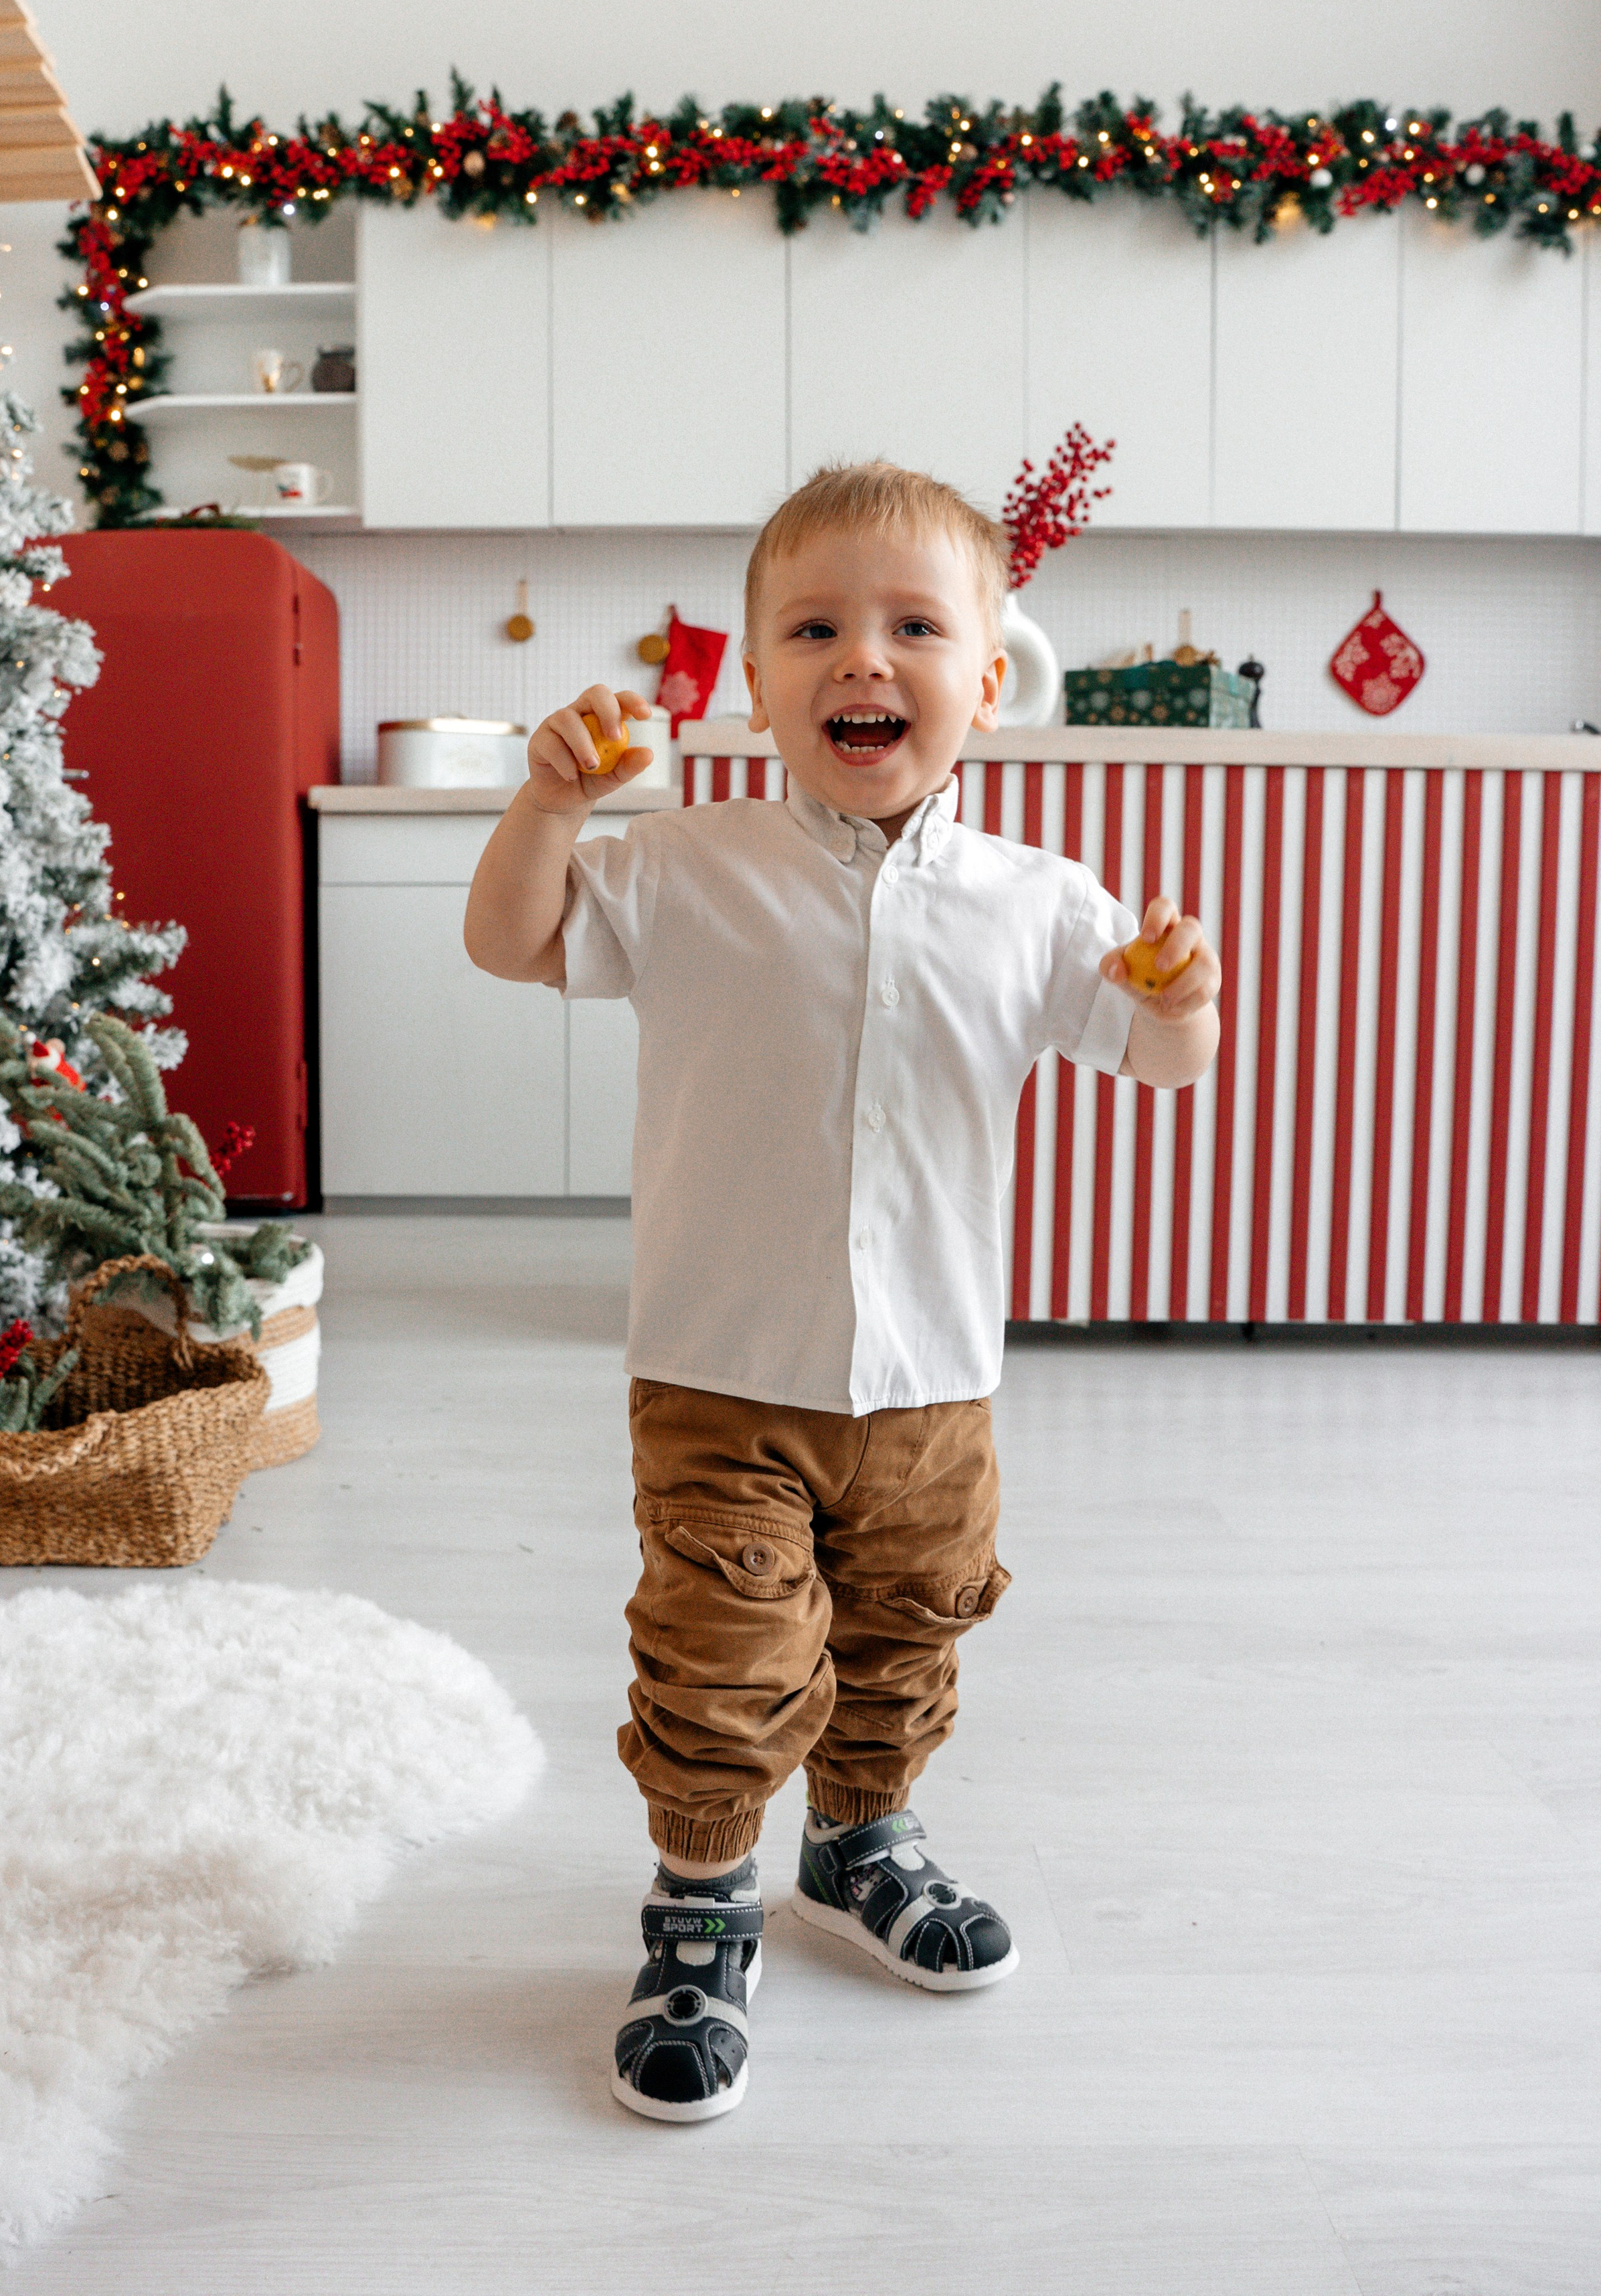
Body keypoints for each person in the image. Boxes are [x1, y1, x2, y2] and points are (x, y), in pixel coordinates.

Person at [465, 461, 1221, 2123]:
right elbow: (511, 945)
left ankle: (855, 1845)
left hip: (935, 1380)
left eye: (910, 627)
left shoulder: (1039, 904)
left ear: (987, 679)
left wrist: (1177, 1000)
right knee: (720, 1653)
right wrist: (547, 811)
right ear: (753, 679)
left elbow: (1159, 1064)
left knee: (904, 1641)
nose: (859, 660)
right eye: (812, 628)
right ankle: (699, 1896)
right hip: (721, 1366)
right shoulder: (682, 865)